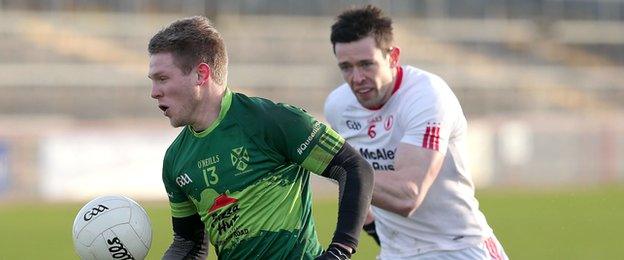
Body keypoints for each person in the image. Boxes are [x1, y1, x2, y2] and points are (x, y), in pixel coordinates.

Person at [148, 16, 374, 260]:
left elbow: (353, 167)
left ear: (201, 74)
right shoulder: (175, 159)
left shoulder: (272, 121)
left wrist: (340, 251)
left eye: (162, 78)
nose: (154, 93)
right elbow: (189, 245)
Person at [324, 5, 509, 260]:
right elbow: (360, 184)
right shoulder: (338, 106)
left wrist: (332, 167)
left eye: (367, 64)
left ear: (393, 57)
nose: (357, 78)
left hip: (458, 249)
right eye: (346, 67)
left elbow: (407, 196)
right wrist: (370, 228)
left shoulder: (427, 96)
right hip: (395, 253)